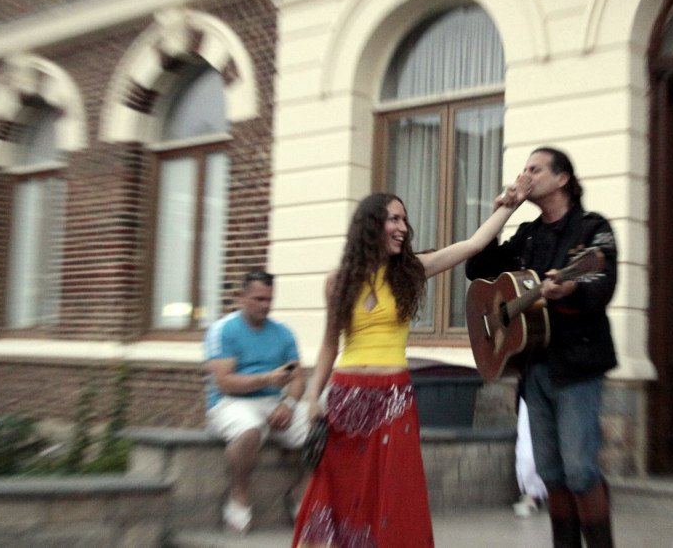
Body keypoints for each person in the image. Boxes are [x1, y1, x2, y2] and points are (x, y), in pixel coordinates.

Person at [292, 189, 529, 548]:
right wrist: (313, 397)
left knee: (391, 494)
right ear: (371, 225)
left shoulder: (411, 271)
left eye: (405, 220)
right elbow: (329, 344)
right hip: (345, 401)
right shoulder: (337, 281)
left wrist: (509, 206)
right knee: (342, 492)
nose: (403, 228)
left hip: (393, 400)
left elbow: (473, 244)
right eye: (394, 219)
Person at [466, 147, 618, 548]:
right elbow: (478, 269)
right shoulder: (528, 234)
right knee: (550, 473)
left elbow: (602, 282)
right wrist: (504, 210)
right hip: (533, 366)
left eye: (535, 169)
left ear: (561, 178)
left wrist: (570, 287)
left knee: (581, 471)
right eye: (524, 169)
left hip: (578, 366)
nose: (525, 175)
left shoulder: (592, 228)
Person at [204, 269, 310, 534]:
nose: (265, 306)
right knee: (250, 432)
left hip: (273, 402)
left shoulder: (283, 333)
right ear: (242, 297)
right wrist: (266, 380)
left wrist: (290, 404)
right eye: (259, 299)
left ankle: (301, 494)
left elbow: (298, 377)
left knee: (324, 429)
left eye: (269, 300)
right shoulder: (223, 330)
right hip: (230, 402)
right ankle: (239, 496)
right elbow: (224, 381)